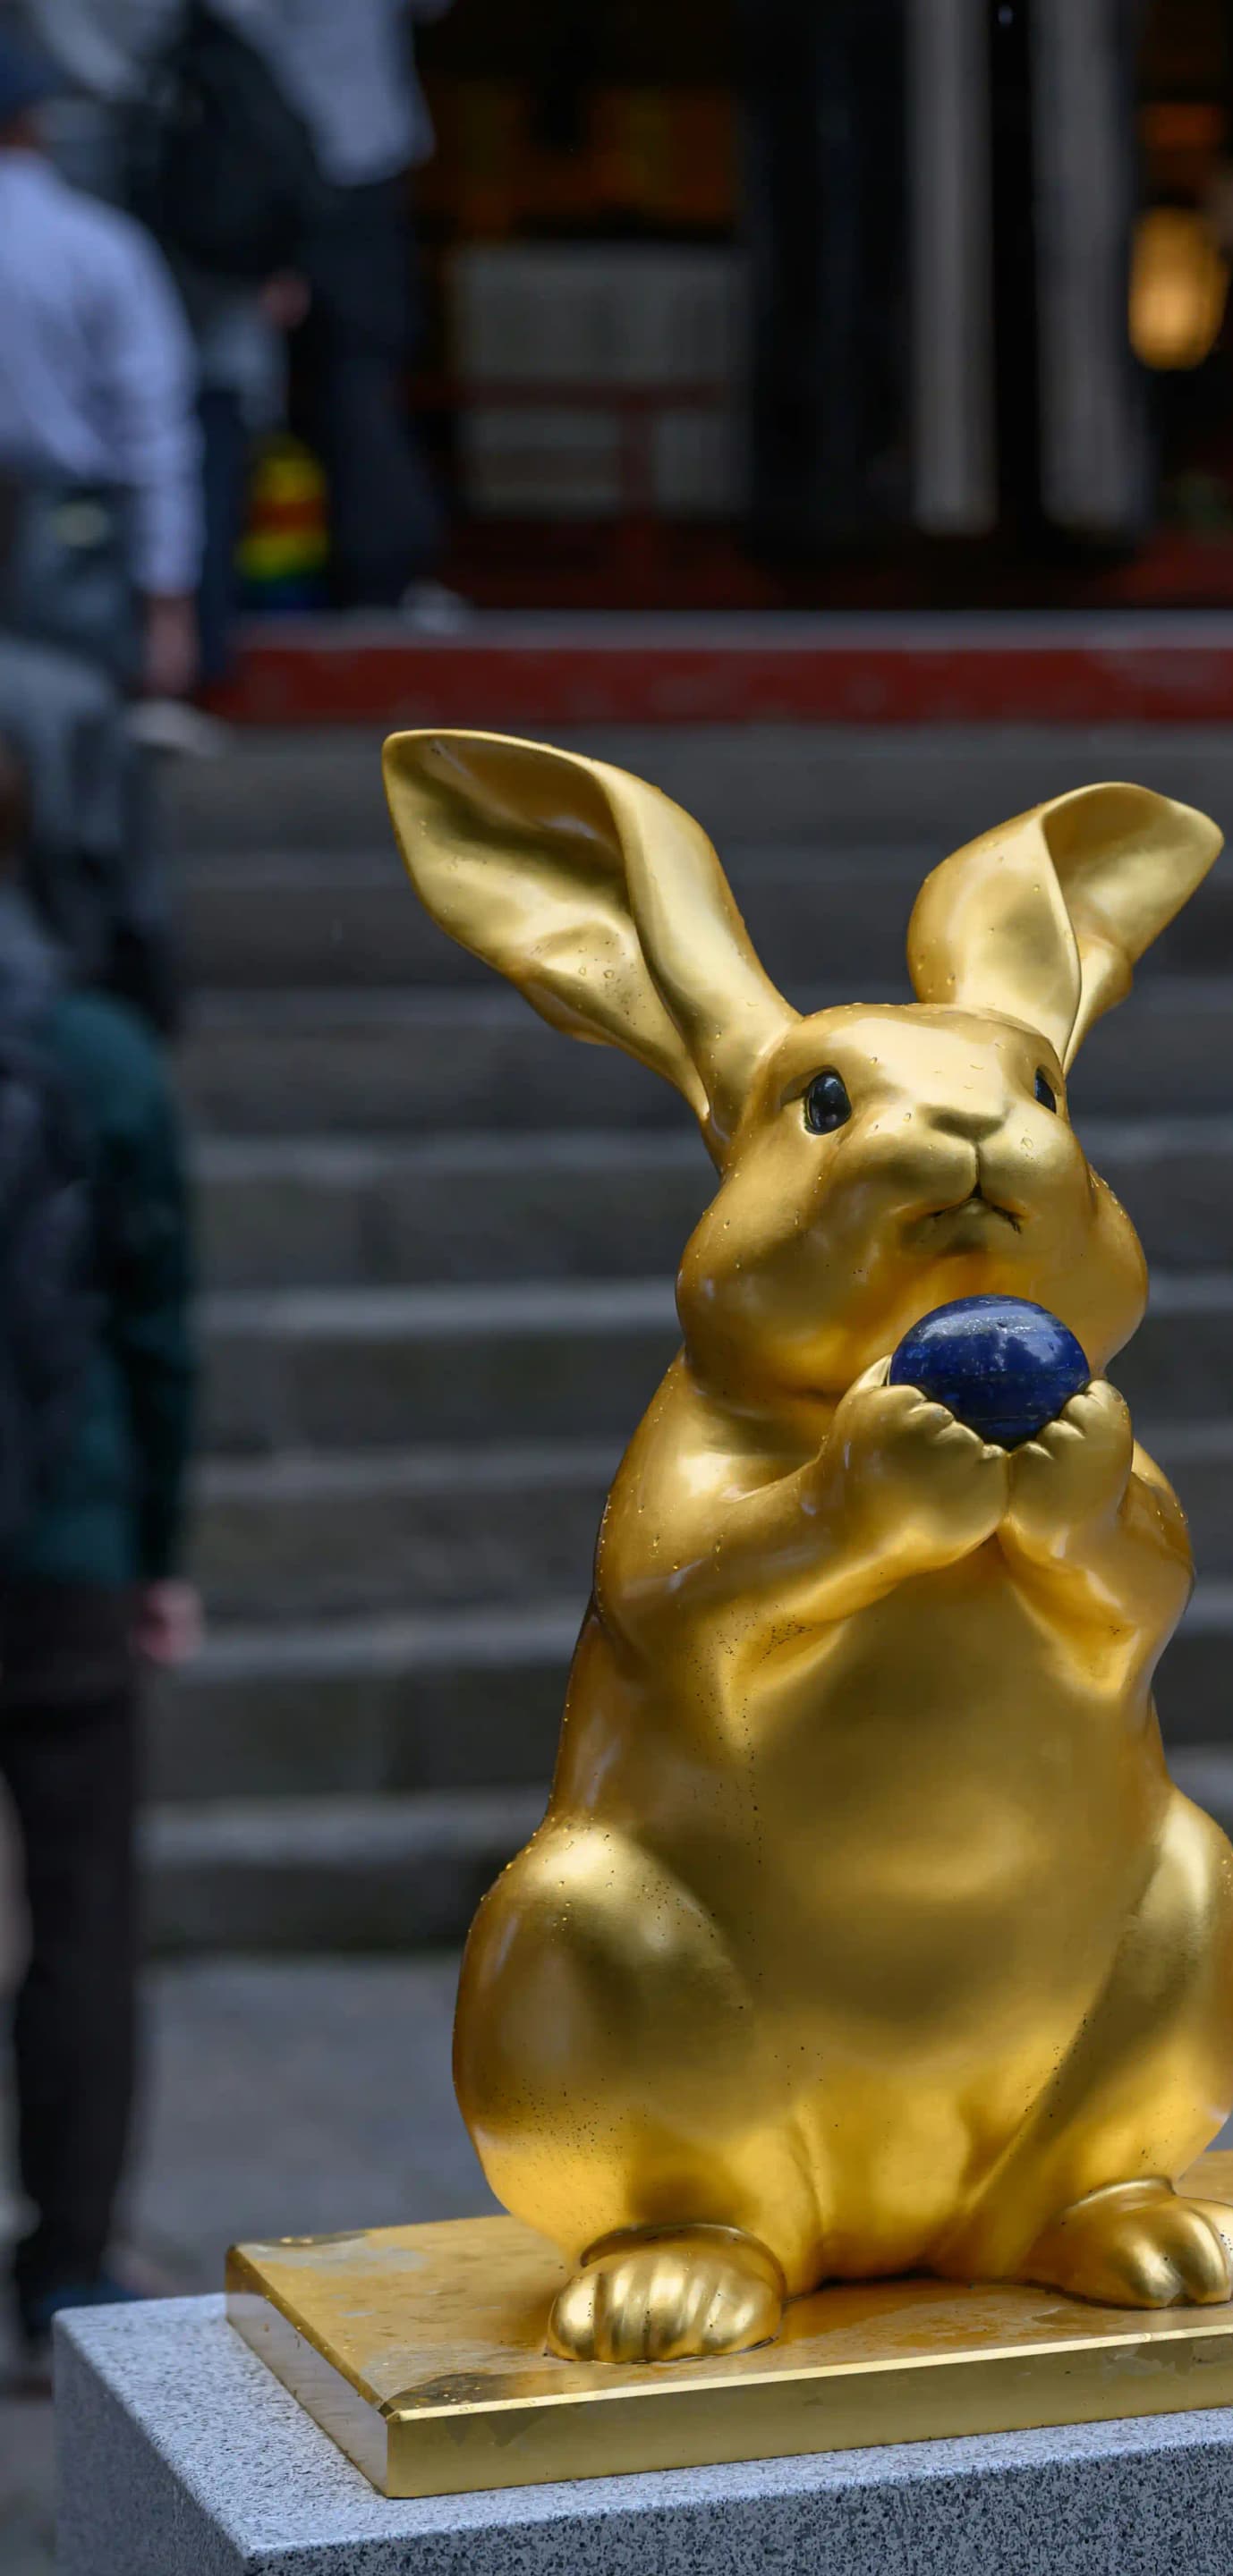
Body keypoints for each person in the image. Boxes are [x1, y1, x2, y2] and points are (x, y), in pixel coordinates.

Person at [0, 726, 199, 2378]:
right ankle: (67, 2262)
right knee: (83, 1911)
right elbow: (158, 1328)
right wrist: (156, 1548)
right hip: (62, 1533)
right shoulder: (97, 1052)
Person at [0, 25, 201, 701]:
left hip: (64, 531)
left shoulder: (96, 244)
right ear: (34, 125)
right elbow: (153, 424)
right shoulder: (97, 245)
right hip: (75, 538)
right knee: (78, 752)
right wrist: (168, 598)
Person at [243, 0, 450, 610]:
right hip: (284, 163)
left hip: (339, 161)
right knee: (334, 378)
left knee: (354, 375)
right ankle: (368, 579)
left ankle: (366, 572)